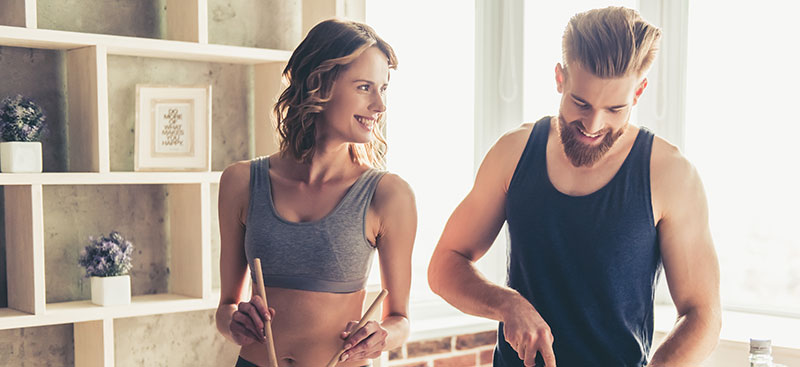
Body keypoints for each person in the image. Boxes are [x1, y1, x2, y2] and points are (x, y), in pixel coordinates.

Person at [428, 6, 721, 367]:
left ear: (639, 92)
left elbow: (702, 314)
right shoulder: (513, 153)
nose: (593, 125)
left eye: (615, 108)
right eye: (580, 103)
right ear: (560, 78)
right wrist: (507, 304)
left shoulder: (671, 175)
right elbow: (444, 265)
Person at [215, 19, 417, 367]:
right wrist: (235, 323)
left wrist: (381, 336)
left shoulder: (389, 195)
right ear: (318, 84)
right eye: (365, 87)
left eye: (383, 89)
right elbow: (225, 309)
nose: (379, 106)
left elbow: (400, 319)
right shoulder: (241, 182)